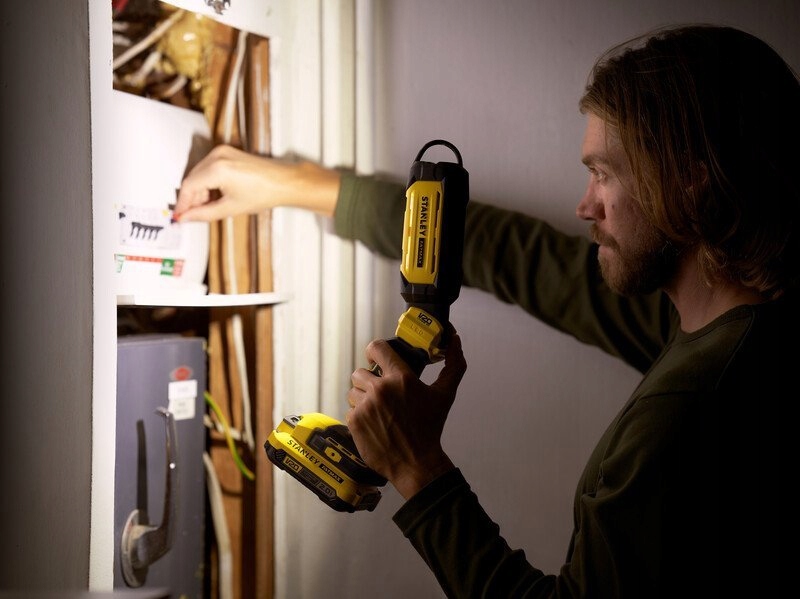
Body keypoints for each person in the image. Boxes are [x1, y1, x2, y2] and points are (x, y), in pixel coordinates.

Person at [175, 24, 797, 598]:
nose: (585, 206)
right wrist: (301, 186)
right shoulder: (713, 318)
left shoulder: (690, 406)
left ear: (689, 181)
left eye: (604, 174)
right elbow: (521, 259)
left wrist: (417, 467)